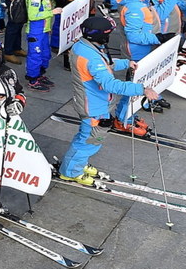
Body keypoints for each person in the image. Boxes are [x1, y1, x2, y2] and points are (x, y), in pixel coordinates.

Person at [56, 17, 158, 185]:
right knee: (90, 140)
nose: (110, 36)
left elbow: (107, 65)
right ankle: (70, 172)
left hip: (94, 102)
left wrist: (127, 63)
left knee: (87, 137)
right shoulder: (91, 57)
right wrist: (142, 90)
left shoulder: (86, 47)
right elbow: (110, 84)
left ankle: (78, 163)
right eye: (108, 34)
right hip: (93, 106)